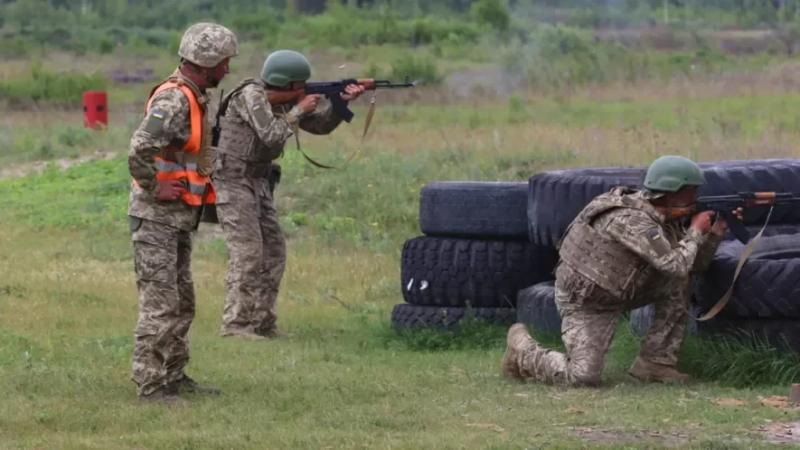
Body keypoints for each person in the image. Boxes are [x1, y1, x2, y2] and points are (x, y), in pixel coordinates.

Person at [502, 155, 741, 386]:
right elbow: (675, 264)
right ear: (672, 192)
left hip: (623, 289)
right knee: (582, 377)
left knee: (680, 281)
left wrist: (714, 235)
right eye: (691, 192)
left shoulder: (665, 218)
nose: (695, 198)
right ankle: (523, 350)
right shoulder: (631, 220)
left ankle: (655, 363)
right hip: (587, 301)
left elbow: (693, 265)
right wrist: (696, 231)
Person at [212, 50, 364, 339]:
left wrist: (340, 104)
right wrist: (299, 109)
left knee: (273, 251)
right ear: (287, 84)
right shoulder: (250, 96)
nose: (302, 90)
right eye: (299, 85)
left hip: (259, 180)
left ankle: (262, 323)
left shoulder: (285, 100)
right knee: (248, 252)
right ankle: (236, 325)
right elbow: (271, 134)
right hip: (232, 179)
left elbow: (318, 127)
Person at [128, 22, 238, 403]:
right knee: (159, 305)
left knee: (182, 302)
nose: (227, 70)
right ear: (206, 62)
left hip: (177, 218)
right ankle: (152, 385)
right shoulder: (174, 99)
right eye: (223, 63)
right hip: (157, 217)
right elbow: (139, 148)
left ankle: (173, 375)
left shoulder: (194, 96)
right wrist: (154, 185)